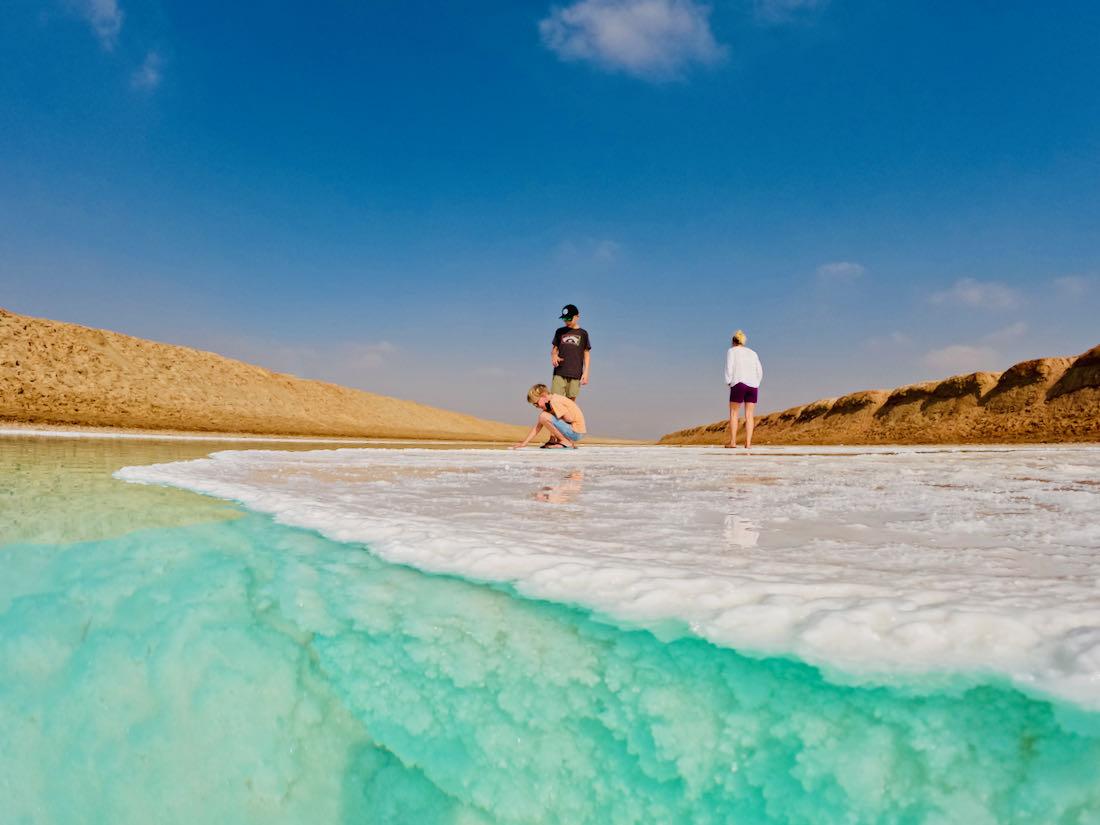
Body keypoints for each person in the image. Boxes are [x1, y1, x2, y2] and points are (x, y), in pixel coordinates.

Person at [511, 383, 587, 449]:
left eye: (536, 403)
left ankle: (565, 442)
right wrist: (524, 443)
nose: (537, 406)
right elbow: (538, 427)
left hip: (576, 432)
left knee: (543, 416)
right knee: (543, 416)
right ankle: (567, 442)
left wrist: (555, 413)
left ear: (543, 396)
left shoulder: (554, 401)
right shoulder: (550, 404)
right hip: (576, 431)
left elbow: (569, 419)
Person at [724, 329, 763, 449]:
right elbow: (760, 370)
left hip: (739, 383)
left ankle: (733, 442)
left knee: (734, 412)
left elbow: (729, 368)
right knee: (749, 414)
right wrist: (756, 382)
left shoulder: (732, 351)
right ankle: (748, 443)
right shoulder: (753, 352)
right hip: (753, 385)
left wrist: (729, 382)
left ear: (733, 341)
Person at [551, 304, 591, 400]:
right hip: (560, 371)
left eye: (569, 318)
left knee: (570, 403)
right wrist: (554, 356)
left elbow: (586, 354)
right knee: (555, 400)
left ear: (577, 316)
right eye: (564, 319)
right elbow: (554, 349)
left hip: (575, 373)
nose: (567, 321)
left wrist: (586, 373)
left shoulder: (583, 333)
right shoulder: (559, 331)